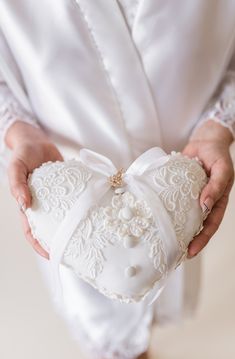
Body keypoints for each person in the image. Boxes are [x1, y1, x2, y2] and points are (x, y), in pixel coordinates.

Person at [0, 1, 235, 358]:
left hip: (181, 178)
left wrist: (220, 126)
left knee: (167, 266)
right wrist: (18, 130)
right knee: (98, 317)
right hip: (63, 186)